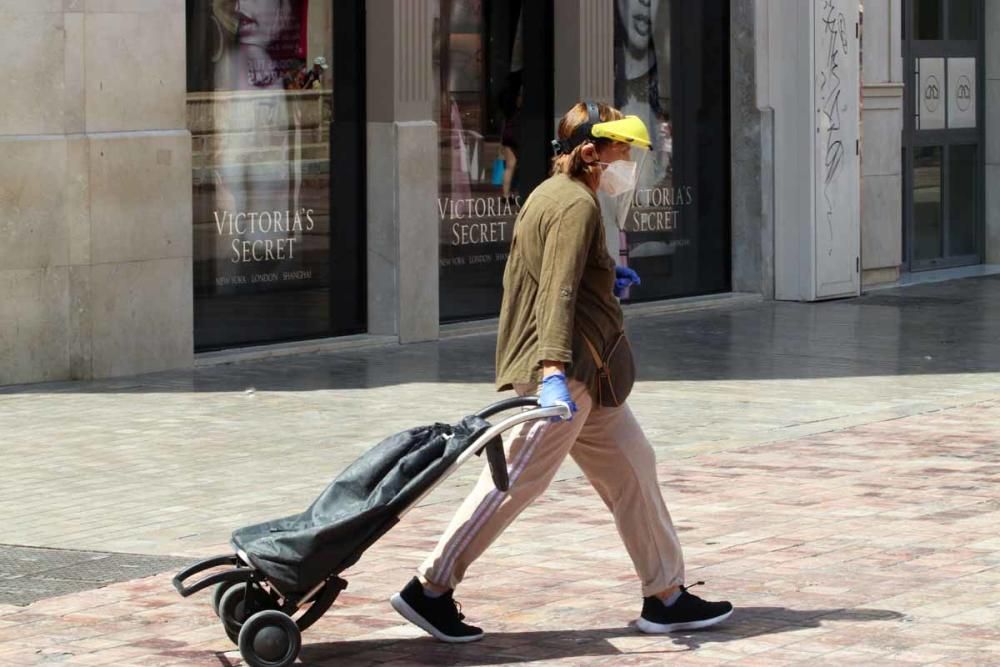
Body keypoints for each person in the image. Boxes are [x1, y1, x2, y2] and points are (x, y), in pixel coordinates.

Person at [390, 102, 733, 643]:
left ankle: (666, 596)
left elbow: (557, 274)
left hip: (591, 375)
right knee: (513, 485)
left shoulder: (556, 195)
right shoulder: (574, 205)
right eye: (624, 153)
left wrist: (605, 275)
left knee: (634, 469)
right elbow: (557, 289)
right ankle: (429, 588)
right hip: (567, 372)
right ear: (592, 153)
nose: (630, 164)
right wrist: (551, 370)